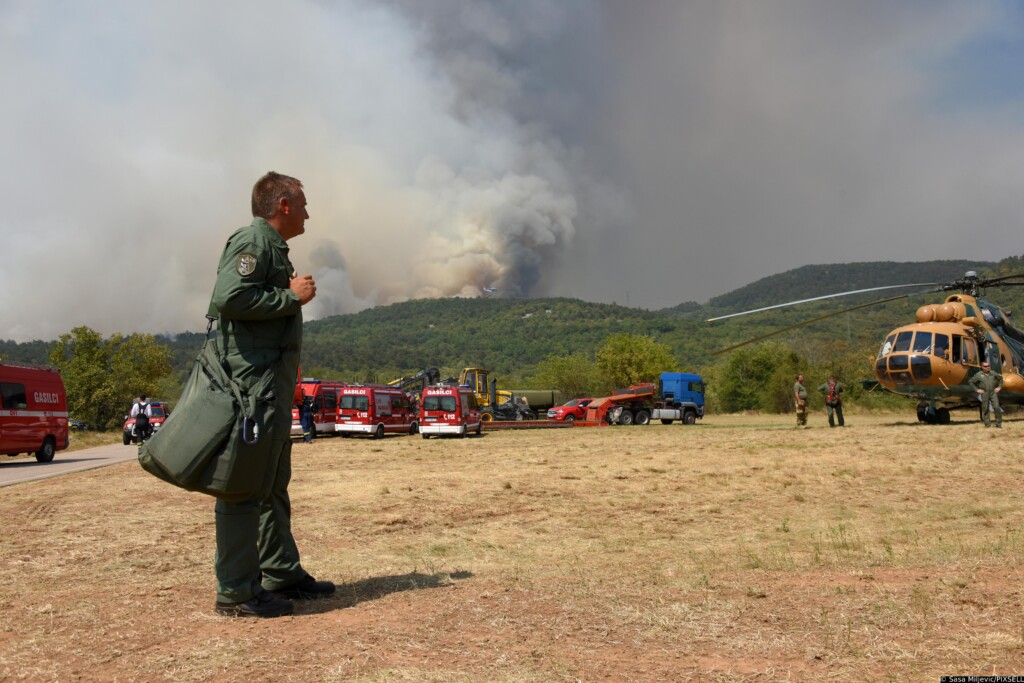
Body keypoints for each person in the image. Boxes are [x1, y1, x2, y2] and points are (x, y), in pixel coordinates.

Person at [207, 171, 334, 618]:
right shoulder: (254, 242)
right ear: (283, 205)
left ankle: (280, 573)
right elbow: (229, 297)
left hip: (269, 392)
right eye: (302, 204)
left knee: (271, 485)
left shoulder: (272, 248)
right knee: (243, 487)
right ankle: (237, 592)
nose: (307, 213)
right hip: (250, 392)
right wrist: (289, 297)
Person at [969, 360, 1003, 428]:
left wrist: (999, 387)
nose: (987, 367)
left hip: (993, 392)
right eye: (985, 366)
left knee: (996, 407)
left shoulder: (993, 373)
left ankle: (998, 424)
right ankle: (987, 424)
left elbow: (1000, 379)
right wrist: (977, 390)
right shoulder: (978, 375)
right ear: (982, 367)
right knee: (985, 408)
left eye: (988, 366)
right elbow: (971, 382)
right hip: (984, 393)